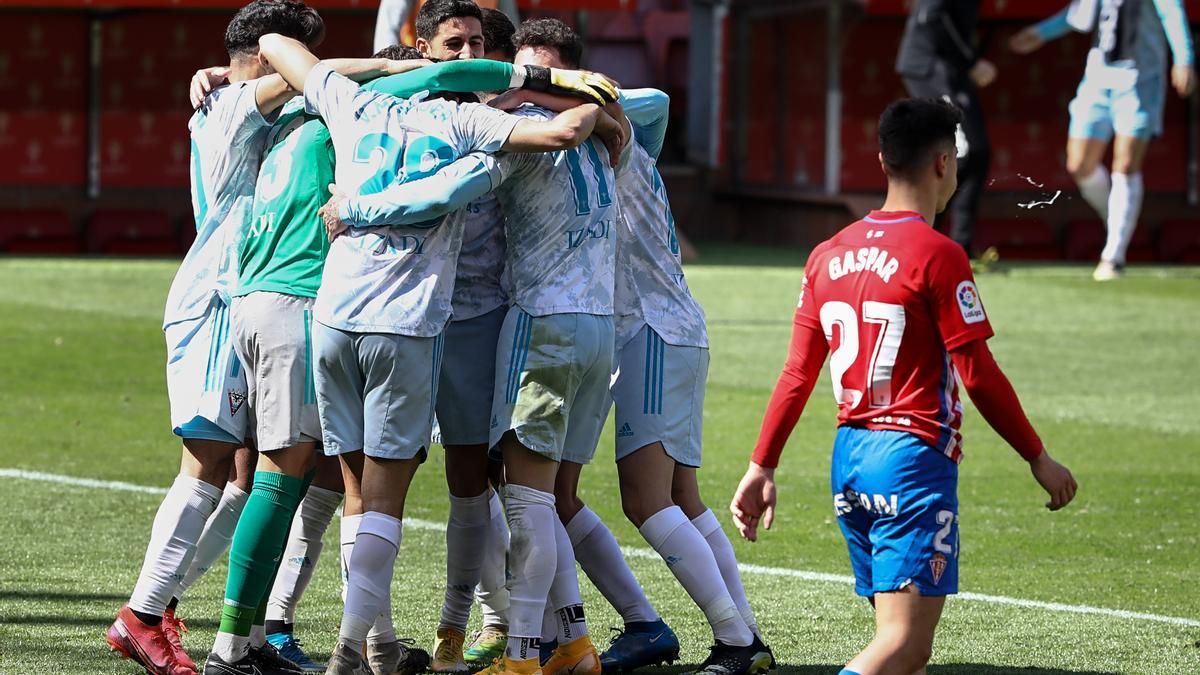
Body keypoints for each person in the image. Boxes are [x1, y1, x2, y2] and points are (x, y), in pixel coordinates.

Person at [255, 30, 621, 675]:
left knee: (352, 493)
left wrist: (360, 199)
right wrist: (585, 102)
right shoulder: (466, 118)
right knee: (392, 500)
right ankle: (356, 648)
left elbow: (274, 42)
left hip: (334, 321)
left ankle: (371, 641)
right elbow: (558, 138)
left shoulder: (351, 103)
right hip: (407, 325)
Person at [730, 98, 1079, 675]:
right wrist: (1037, 456)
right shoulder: (939, 255)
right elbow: (978, 373)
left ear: (883, 159)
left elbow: (798, 371)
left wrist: (762, 465)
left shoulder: (827, 254)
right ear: (944, 164)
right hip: (911, 461)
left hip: (850, 460)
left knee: (902, 652)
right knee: (905, 644)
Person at [105, 3, 324, 673]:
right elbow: (320, 80)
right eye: (296, 53)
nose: (306, 67)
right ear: (268, 54)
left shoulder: (232, 96)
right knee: (204, 466)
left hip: (248, 296)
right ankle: (143, 612)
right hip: (213, 299)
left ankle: (214, 623)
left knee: (254, 474)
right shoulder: (230, 107)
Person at [1009, 0, 1195, 281]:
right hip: (1097, 80)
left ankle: (1113, 256)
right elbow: (1080, 12)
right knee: (1079, 163)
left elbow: (1172, 12)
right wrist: (1041, 32)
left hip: (1140, 79)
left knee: (1126, 161)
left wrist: (1184, 59)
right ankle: (1117, 219)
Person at [895, 0, 994, 257]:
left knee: (979, 151)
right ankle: (920, 239)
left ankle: (961, 247)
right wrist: (971, 61)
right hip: (927, 67)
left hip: (951, 71)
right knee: (961, 151)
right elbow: (933, 16)